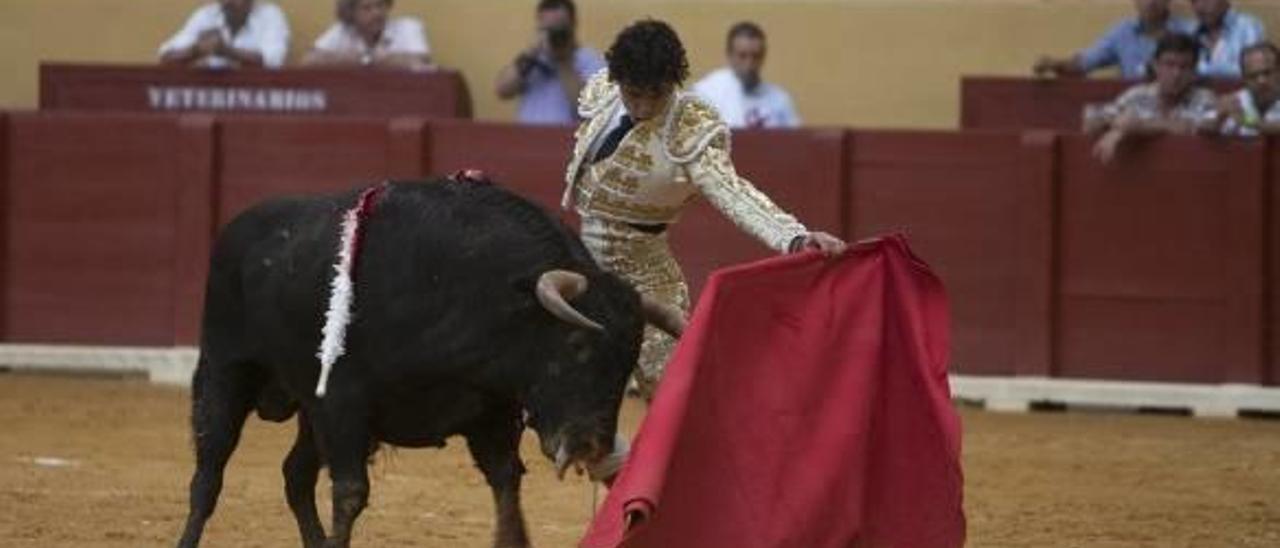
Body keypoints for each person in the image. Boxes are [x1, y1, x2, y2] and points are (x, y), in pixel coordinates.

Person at [562, 19, 846, 402]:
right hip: (585, 264)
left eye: (656, 95)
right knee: (567, 384)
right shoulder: (604, 93)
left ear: (673, 84)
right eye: (634, 94)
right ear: (617, 81)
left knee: (674, 395)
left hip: (648, 279)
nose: (644, 107)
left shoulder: (690, 129)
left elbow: (733, 192)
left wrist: (793, 237)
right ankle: (612, 461)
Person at [1086, 33, 1218, 163]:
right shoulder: (1137, 95)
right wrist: (1118, 123)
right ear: (1156, 66)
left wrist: (1130, 128)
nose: (1176, 74)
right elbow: (1090, 123)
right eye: (1169, 65)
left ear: (1194, 72)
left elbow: (1187, 127)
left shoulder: (1205, 99)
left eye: (1184, 67)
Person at [495, 0, 606, 125]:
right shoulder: (531, 58)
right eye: (547, 30)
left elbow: (588, 107)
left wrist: (563, 61)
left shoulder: (589, 59)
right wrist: (531, 53)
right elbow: (502, 90)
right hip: (526, 138)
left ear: (573, 24)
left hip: (567, 139)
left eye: (558, 29)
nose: (554, 35)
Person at [1033, 0, 1192, 79]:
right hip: (1135, 106)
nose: (1150, 3)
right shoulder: (1123, 32)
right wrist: (1055, 64)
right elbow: (1085, 63)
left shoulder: (1189, 31)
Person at [692, 21, 800, 128]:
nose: (749, 63)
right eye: (742, 56)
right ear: (729, 55)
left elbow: (795, 139)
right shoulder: (706, 93)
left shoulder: (779, 99)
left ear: (763, 56)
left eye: (755, 56)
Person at [302, 0, 432, 70]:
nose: (377, 13)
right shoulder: (341, 30)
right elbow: (309, 61)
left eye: (380, 5)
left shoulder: (407, 26)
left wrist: (365, 60)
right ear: (351, 13)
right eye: (367, 8)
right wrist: (366, 60)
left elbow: (419, 61)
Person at [159, 0, 290, 69]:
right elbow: (166, 58)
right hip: (209, 97)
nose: (228, 2)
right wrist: (196, 50)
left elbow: (273, 63)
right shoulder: (206, 15)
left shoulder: (270, 15)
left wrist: (226, 51)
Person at [1189, 0, 1266, 77]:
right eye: (1194, 1)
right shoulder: (1191, 32)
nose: (1200, 6)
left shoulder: (1247, 27)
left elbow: (1252, 69)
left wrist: (1201, 71)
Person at [1218, 42, 1280, 136]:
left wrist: (1247, 121)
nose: (1261, 81)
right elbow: (1202, 127)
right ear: (1244, 79)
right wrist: (1219, 118)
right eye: (1253, 76)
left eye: (1267, 73)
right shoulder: (1237, 100)